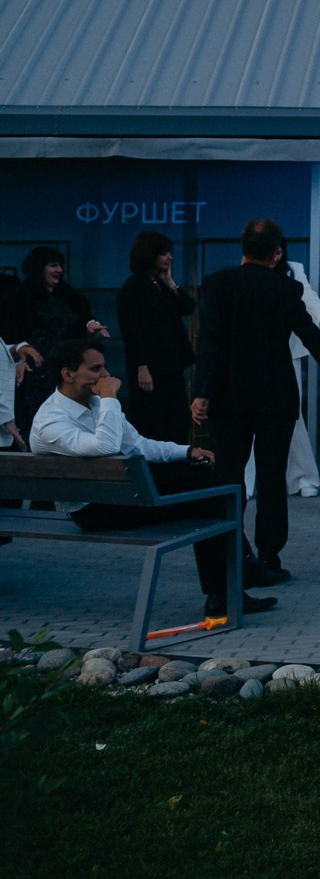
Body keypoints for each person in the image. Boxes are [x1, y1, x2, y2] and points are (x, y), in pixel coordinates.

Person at [31, 339, 260, 618]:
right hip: (93, 511)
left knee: (209, 488)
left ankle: (228, 588)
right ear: (68, 374)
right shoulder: (51, 420)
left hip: (121, 497)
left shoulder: (95, 404)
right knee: (211, 497)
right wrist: (110, 399)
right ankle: (235, 580)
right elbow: (104, 447)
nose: (106, 375)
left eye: (104, 367)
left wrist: (187, 451)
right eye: (95, 369)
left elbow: (138, 445)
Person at [191, 219, 320, 588]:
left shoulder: (218, 284)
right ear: (277, 253)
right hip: (275, 397)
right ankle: (269, 558)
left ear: (242, 247)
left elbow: (209, 342)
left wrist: (200, 392)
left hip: (227, 397)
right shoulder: (286, 288)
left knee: (229, 478)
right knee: (271, 478)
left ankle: (234, 555)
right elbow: (312, 338)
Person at [116, 230, 195, 445]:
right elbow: (131, 332)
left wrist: (170, 283)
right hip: (149, 370)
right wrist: (142, 367)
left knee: (178, 421)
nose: (169, 258)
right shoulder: (132, 288)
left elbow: (188, 307)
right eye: (163, 254)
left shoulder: (160, 285)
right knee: (154, 423)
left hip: (171, 367)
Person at [15, 247, 104, 436]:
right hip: (36, 369)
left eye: (60, 265)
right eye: (53, 265)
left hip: (66, 367)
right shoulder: (20, 296)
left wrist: (89, 327)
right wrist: (18, 358)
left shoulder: (68, 295)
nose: (59, 270)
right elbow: (11, 334)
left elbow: (82, 320)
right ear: (39, 267)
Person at [274, 248, 320, 498]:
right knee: (251, 416)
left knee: (293, 414)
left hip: (288, 351)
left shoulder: (292, 268)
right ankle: (248, 480)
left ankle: (303, 478)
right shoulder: (244, 272)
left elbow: (308, 297)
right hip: (254, 355)